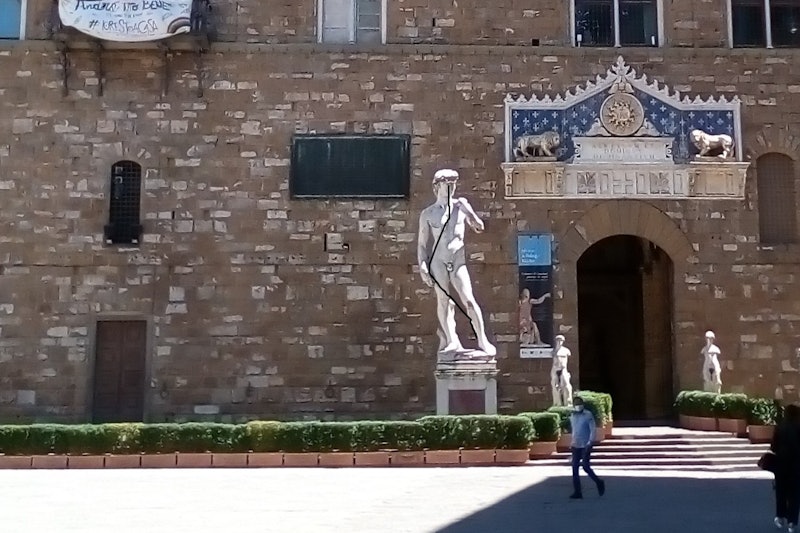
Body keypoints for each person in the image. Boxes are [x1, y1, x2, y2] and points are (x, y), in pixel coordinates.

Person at [417, 169, 496, 358]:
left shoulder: (461, 207)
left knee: (469, 299)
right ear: (437, 186)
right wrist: (422, 266)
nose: (451, 187)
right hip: (438, 261)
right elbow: (422, 244)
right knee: (443, 300)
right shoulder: (428, 214)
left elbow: (479, 227)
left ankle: (482, 340)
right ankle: (452, 340)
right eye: (447, 183)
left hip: (458, 261)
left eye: (453, 183)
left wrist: (469, 212)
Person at [771, 403, 800, 531]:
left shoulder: (780, 427)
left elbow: (773, 446)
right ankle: (792, 522)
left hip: (781, 463)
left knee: (781, 491)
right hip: (797, 464)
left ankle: (780, 516)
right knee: (795, 493)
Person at [569, 396, 605, 499]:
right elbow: (574, 430)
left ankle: (599, 482)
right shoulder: (572, 415)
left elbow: (592, 429)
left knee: (585, 466)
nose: (578, 406)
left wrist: (590, 442)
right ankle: (577, 492)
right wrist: (572, 442)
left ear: (583, 404)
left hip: (586, 445)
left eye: (579, 403)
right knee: (574, 468)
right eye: (576, 404)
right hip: (575, 445)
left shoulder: (588, 415)